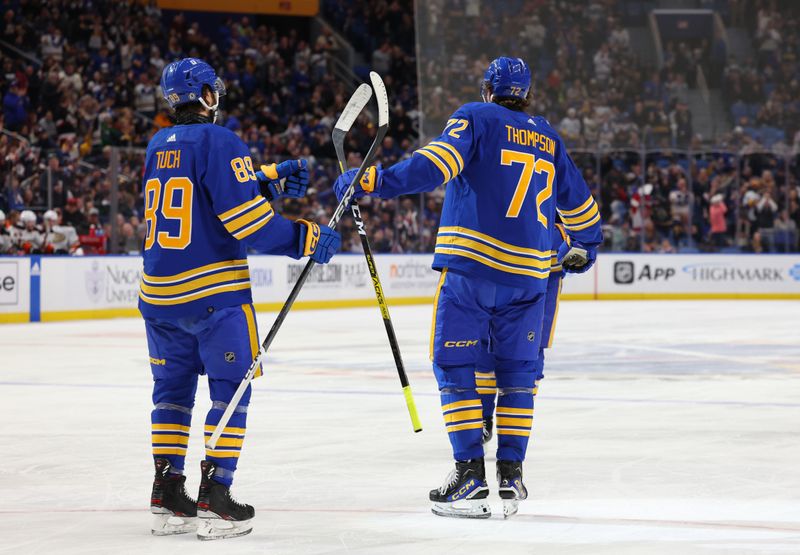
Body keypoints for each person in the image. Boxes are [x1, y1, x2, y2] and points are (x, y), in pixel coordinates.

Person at [333, 57, 602, 518]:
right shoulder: (550, 137)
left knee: (454, 364)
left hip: (473, 271)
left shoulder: (475, 116)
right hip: (530, 280)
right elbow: (582, 211)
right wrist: (585, 248)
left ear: (487, 90)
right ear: (527, 93)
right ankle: (511, 477)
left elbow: (435, 164)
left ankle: (470, 478)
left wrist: (373, 179)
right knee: (517, 377)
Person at [141, 58, 341, 540]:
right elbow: (247, 224)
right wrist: (304, 238)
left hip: (159, 298)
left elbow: (199, 194)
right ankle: (217, 497)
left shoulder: (155, 144)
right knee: (232, 391)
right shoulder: (221, 139)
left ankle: (167, 494)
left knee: (171, 395)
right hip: (214, 297)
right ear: (207, 94)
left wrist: (265, 178)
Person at [477, 223, 567, 446]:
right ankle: (485, 417)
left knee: (528, 354)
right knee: (489, 347)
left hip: (542, 253)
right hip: (511, 249)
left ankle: (511, 428)